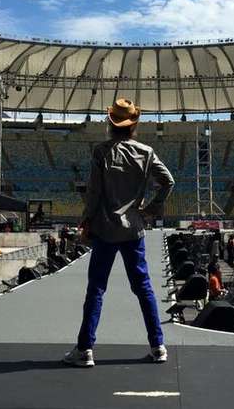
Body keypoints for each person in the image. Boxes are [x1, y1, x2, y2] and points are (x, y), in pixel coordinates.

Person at [64, 98, 174, 368]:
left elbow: (94, 193)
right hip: (133, 230)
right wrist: (150, 209)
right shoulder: (146, 152)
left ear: (110, 122)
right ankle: (158, 346)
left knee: (97, 289)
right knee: (144, 288)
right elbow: (168, 181)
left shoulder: (101, 152)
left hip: (105, 229)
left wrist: (86, 220)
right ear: (134, 124)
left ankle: (85, 349)